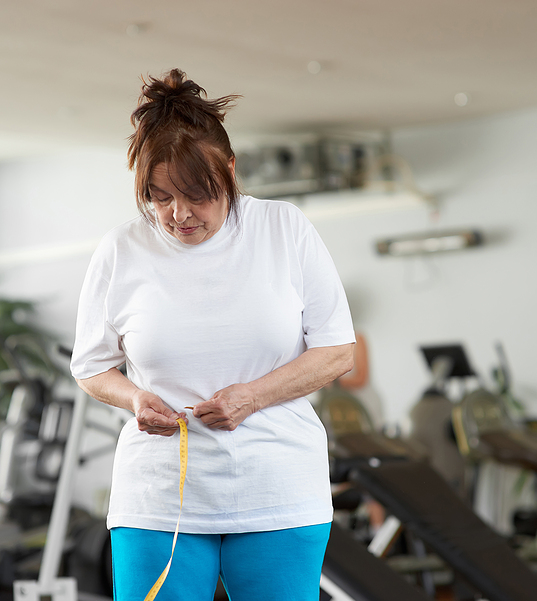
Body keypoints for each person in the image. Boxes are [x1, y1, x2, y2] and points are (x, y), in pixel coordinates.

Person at [70, 68, 355, 601]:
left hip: (278, 486)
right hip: (158, 496)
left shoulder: (284, 229)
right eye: (158, 198)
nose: (178, 215)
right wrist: (134, 398)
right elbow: (90, 367)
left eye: (196, 195)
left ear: (228, 170)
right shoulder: (121, 250)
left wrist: (253, 396)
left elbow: (337, 351)